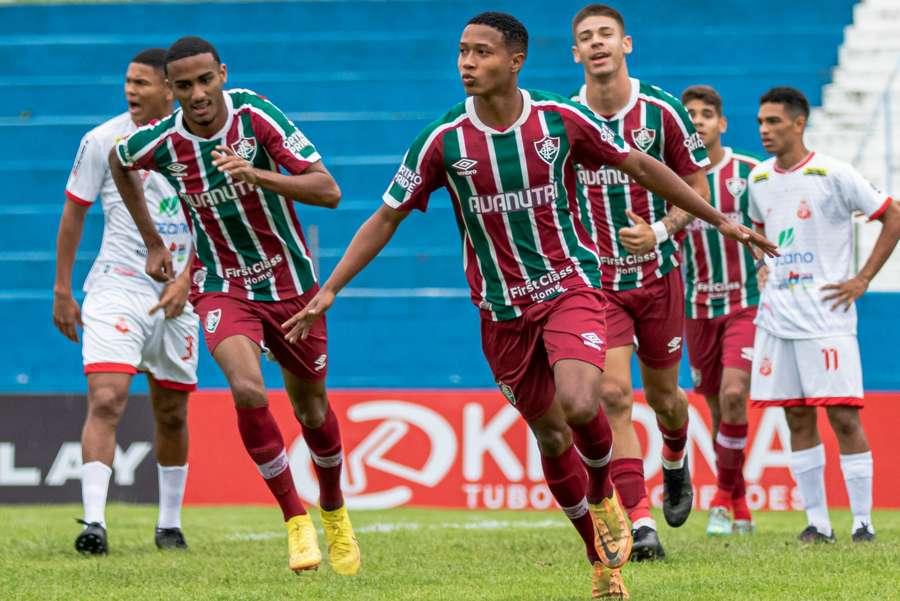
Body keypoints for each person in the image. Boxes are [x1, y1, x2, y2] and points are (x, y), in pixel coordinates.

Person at [283, 13, 775, 598]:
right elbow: (386, 217)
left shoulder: (560, 120)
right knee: (549, 436)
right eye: (462, 51)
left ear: (515, 61)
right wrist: (332, 286)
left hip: (570, 288)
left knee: (584, 399)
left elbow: (641, 165)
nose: (467, 62)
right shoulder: (444, 140)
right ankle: (600, 559)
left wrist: (721, 220)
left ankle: (603, 493)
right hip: (500, 311)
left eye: (481, 53)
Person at [109, 36, 360, 575]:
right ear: (171, 90)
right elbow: (119, 159)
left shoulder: (256, 116)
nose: (197, 94)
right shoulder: (165, 141)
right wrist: (154, 242)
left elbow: (328, 190)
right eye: (184, 86)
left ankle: (334, 511)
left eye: (205, 80)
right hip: (224, 285)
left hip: (292, 286)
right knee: (247, 389)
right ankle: (295, 521)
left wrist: (256, 174)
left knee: (312, 410)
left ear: (221, 73)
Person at [569, 4, 710, 561]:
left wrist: (662, 228)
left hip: (657, 276)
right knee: (612, 396)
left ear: (627, 45)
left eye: (607, 34)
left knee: (665, 398)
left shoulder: (661, 112)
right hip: (596, 282)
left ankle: (675, 460)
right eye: (586, 38)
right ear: (575, 53)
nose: (598, 43)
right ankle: (642, 522)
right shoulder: (562, 119)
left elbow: (695, 181)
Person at [54, 48, 197, 555]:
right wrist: (63, 289)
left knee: (172, 412)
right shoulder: (102, 139)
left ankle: (169, 524)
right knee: (108, 398)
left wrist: (188, 278)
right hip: (118, 285)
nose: (130, 91)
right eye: (127, 82)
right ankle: (94, 522)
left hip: (182, 291)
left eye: (141, 83)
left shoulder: (198, 141)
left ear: (168, 87)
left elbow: (217, 219)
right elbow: (74, 214)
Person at [748, 86, 899, 544]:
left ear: (799, 123)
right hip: (777, 316)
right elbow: (757, 227)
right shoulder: (758, 179)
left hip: (827, 318)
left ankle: (862, 523)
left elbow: (893, 216)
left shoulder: (833, 173)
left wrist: (863, 279)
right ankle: (817, 522)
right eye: (760, 122)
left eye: (773, 121)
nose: (765, 130)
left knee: (844, 417)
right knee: (795, 417)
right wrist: (760, 266)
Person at [680, 85, 761, 536]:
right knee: (716, 409)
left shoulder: (748, 173)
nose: (697, 121)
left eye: (706, 114)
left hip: (744, 305)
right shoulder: (670, 178)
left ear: (722, 123)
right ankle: (739, 498)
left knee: (734, 395)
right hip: (696, 310)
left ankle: (721, 501)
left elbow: (774, 226)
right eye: (689, 113)